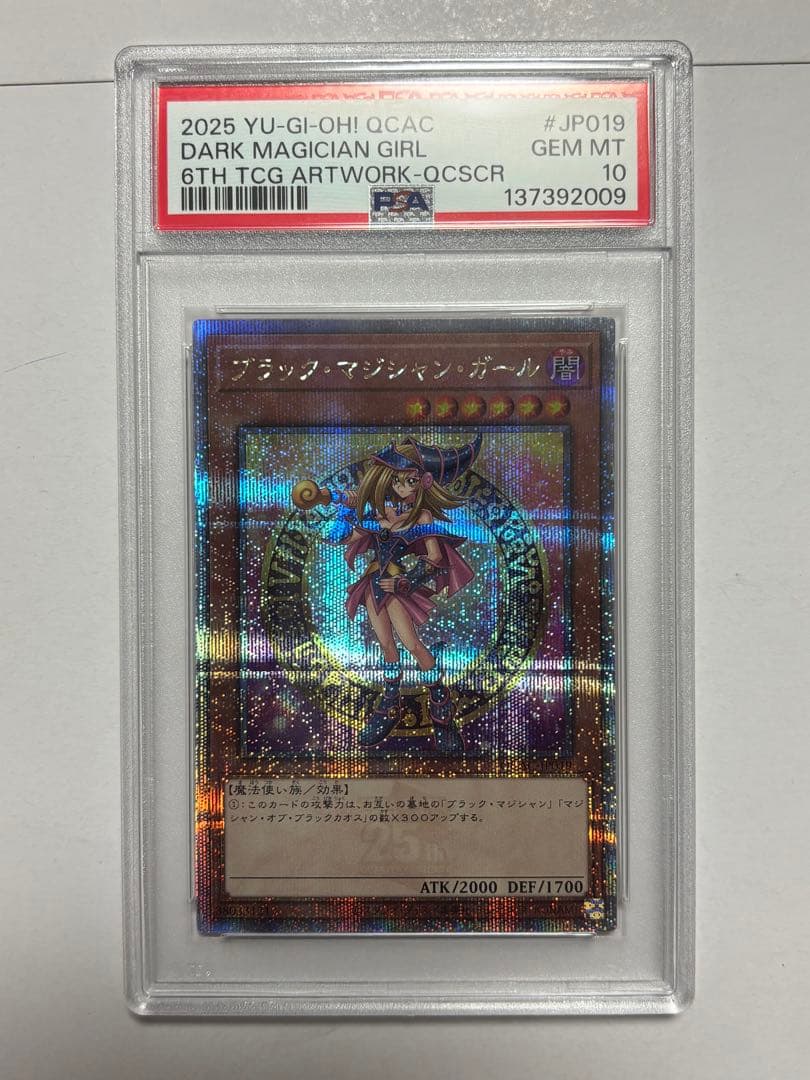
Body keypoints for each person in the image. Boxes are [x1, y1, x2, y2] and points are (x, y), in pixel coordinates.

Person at [317, 433, 482, 752]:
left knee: (412, 644)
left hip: (396, 585)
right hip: (372, 584)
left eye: (410, 481)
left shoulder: (421, 516)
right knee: (386, 646)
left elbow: (434, 558)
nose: (403, 487)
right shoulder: (375, 514)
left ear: (423, 482)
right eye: (397, 480)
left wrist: (407, 582)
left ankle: (441, 710)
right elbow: (339, 538)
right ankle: (389, 705)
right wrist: (340, 508)